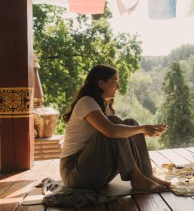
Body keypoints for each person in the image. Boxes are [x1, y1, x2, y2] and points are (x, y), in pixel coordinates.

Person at [60, 64, 170, 192]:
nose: (118, 86)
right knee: (114, 124)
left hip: (93, 169)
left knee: (131, 123)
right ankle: (137, 177)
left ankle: (147, 175)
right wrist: (143, 129)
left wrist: (143, 131)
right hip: (74, 173)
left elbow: (117, 137)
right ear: (101, 84)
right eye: (115, 82)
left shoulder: (105, 107)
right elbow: (111, 131)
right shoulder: (86, 102)